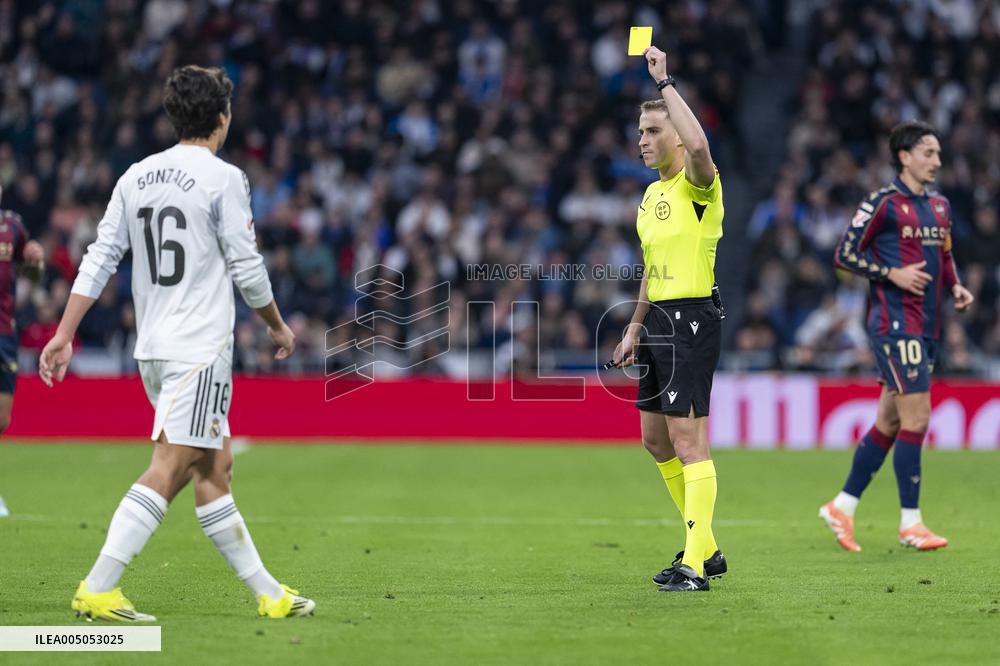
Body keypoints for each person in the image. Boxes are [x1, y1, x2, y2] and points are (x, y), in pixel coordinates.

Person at [38, 65, 315, 620]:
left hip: (154, 350)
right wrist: (277, 326)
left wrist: (63, 333)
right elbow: (248, 266)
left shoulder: (135, 176)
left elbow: (98, 260)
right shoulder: (224, 179)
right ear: (222, 117)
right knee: (170, 464)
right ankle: (99, 585)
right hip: (198, 349)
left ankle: (269, 594)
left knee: (215, 469)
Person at [819, 120, 974, 552]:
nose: (936, 162)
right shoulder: (882, 204)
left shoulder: (940, 206)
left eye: (939, 154)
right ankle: (911, 523)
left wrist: (955, 284)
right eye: (928, 153)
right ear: (904, 156)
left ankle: (842, 507)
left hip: (927, 326)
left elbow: (943, 255)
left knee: (889, 422)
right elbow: (845, 253)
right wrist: (893, 274)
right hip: (894, 325)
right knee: (918, 418)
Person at [612, 45, 726, 592]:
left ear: (676, 136)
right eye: (640, 132)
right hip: (658, 318)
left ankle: (695, 563)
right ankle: (705, 544)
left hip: (692, 318)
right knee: (655, 440)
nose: (643, 140)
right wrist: (634, 325)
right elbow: (650, 268)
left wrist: (665, 83)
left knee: (687, 440)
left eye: (653, 131)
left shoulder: (699, 187)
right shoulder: (651, 196)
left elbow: (701, 144)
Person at [0, 190, 46, 518]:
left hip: (4, 331)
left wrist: (35, 262)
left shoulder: (12, 227)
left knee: (2, 419)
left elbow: (31, 276)